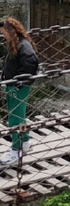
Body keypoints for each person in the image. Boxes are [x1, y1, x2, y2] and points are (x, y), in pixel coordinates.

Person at [0, 17, 39, 166]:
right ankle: (25, 142)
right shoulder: (17, 44)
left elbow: (31, 63)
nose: (3, 36)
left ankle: (16, 150)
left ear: (11, 31)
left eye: (4, 33)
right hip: (12, 85)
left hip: (18, 86)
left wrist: (20, 82)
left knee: (15, 118)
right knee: (18, 115)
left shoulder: (24, 46)